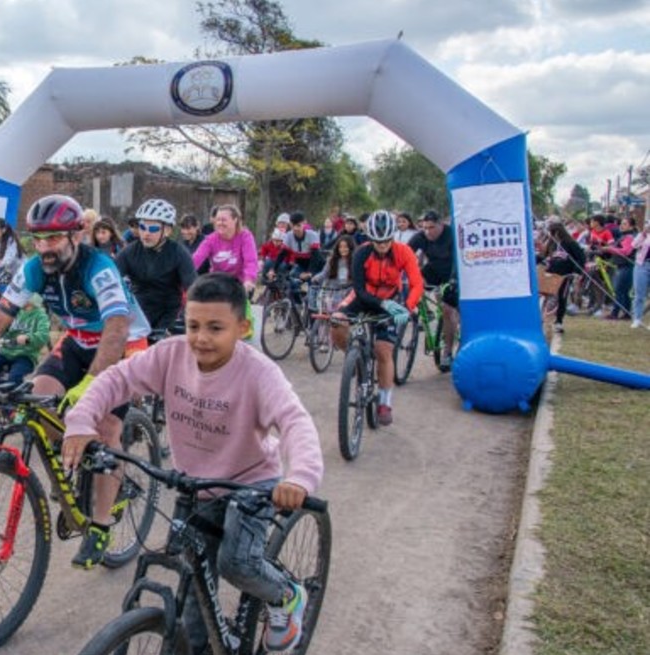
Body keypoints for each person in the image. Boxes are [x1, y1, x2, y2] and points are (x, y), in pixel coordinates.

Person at [61, 272, 323, 653]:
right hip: (194, 485)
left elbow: (295, 422)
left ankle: (287, 598)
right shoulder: (171, 354)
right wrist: (81, 422)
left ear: (243, 327)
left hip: (250, 485)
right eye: (193, 325)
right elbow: (117, 378)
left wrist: (299, 477)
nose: (201, 338)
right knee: (194, 592)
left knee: (236, 563)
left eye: (216, 327)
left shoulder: (259, 373)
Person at [0, 194, 151, 569]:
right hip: (76, 341)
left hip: (117, 346)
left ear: (75, 235)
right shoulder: (34, 268)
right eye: (38, 239)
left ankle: (101, 526)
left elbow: (117, 328)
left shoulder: (99, 267)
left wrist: (92, 382)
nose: (44, 247)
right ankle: (72, 460)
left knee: (105, 428)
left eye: (54, 238)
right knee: (36, 400)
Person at [329, 210, 423, 426]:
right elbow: (359, 290)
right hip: (366, 296)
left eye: (386, 241)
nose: (382, 245)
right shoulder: (361, 253)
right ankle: (354, 356)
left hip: (392, 296)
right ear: (370, 239)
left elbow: (417, 284)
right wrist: (380, 304)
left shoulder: (404, 251)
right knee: (336, 321)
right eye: (377, 241)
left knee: (383, 350)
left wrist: (407, 307)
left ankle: (384, 401)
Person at [114, 199, 197, 334]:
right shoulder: (130, 251)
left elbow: (193, 288)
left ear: (168, 231)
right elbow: (111, 278)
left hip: (169, 314)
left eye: (153, 228)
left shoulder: (179, 253)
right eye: (142, 227)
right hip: (140, 312)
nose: (146, 233)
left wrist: (188, 316)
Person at [407, 210, 460, 371]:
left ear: (441, 224)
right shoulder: (421, 236)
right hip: (433, 269)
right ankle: (425, 314)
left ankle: (447, 352)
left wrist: (452, 281)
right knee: (416, 283)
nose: (428, 232)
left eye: (431, 227)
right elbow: (404, 254)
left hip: (452, 272)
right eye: (425, 228)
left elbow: (458, 261)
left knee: (447, 309)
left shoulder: (451, 235)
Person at [0, 297, 50, 387]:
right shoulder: (14, 312)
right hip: (6, 351)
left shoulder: (41, 315)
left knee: (15, 378)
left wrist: (28, 338)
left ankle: (12, 398)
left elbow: (43, 335)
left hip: (26, 354)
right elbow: (2, 327)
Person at [192, 204, 259, 296]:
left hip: (239, 283)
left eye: (224, 220)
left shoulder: (245, 236)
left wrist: (248, 280)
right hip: (218, 282)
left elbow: (250, 261)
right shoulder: (211, 239)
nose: (220, 223)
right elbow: (197, 258)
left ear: (235, 220)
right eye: (218, 220)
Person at [539, 220, 586, 334]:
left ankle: (559, 322)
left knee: (562, 297)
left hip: (565, 275)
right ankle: (541, 318)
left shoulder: (570, 243)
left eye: (552, 232)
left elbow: (581, 258)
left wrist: (577, 272)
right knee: (544, 295)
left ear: (557, 232)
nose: (551, 235)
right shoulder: (552, 243)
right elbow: (544, 257)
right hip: (551, 274)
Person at [599, 216, 638, 321]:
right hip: (623, 266)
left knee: (619, 290)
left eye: (625, 224)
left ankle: (615, 313)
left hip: (627, 266)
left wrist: (610, 249)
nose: (621, 225)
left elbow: (626, 251)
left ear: (631, 226)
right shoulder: (625, 236)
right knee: (624, 292)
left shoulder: (629, 237)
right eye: (621, 223)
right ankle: (626, 314)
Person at [631, 220, 650, 330]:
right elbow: (633, 245)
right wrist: (643, 234)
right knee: (639, 294)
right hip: (642, 265)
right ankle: (637, 318)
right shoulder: (644, 235)